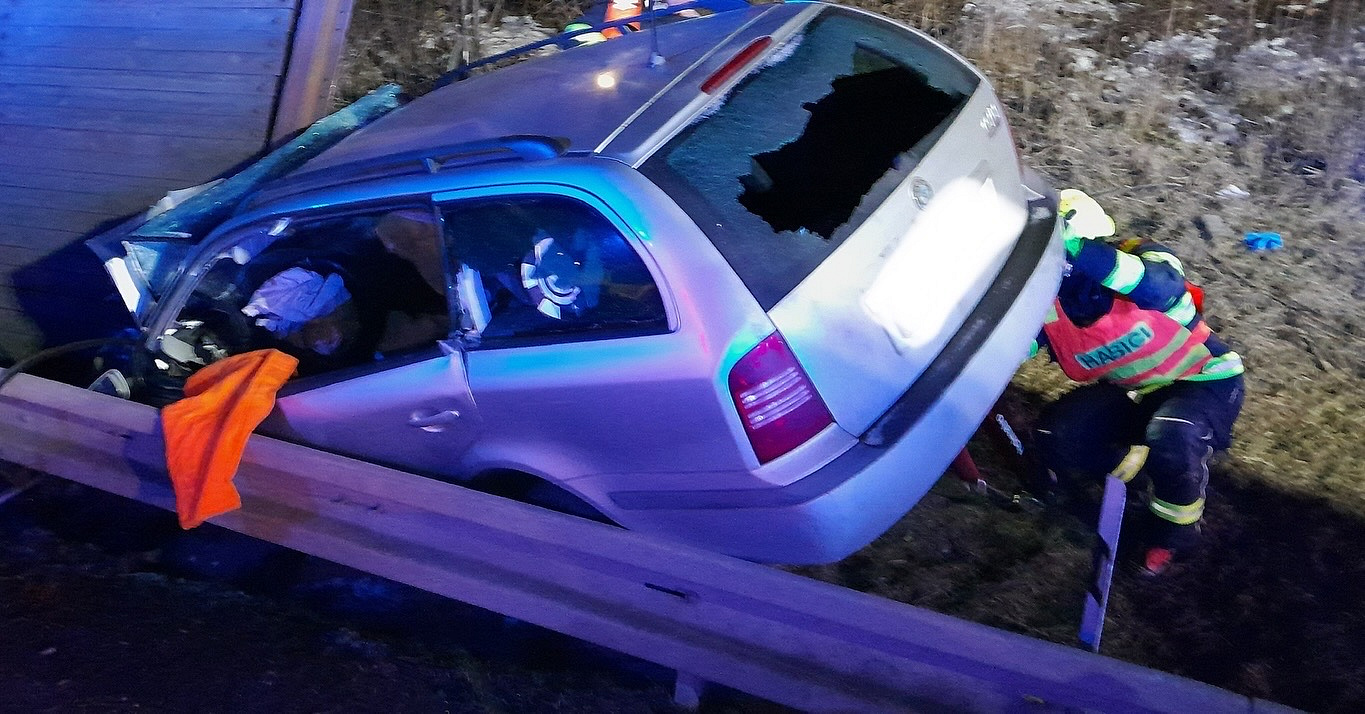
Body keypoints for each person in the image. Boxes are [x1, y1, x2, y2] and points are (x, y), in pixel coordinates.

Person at [1030, 189, 1245, 576]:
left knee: (1174, 432)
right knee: (1056, 435)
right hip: (1139, 397)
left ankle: (1173, 534)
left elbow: (1161, 285)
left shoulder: (1139, 260)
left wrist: (1074, 248)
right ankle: (1142, 471)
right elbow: (1010, 347)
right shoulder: (1047, 311)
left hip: (1206, 381)